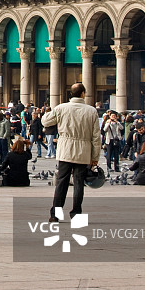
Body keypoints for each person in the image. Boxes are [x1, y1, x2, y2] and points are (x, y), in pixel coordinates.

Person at [42, 83, 101, 222]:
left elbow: (45, 121)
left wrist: (47, 111)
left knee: (61, 182)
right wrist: (95, 157)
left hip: (65, 150)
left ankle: (55, 214)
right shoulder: (91, 111)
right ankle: (76, 213)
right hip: (83, 152)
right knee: (79, 183)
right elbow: (96, 137)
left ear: (71, 93)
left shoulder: (62, 108)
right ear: (83, 94)